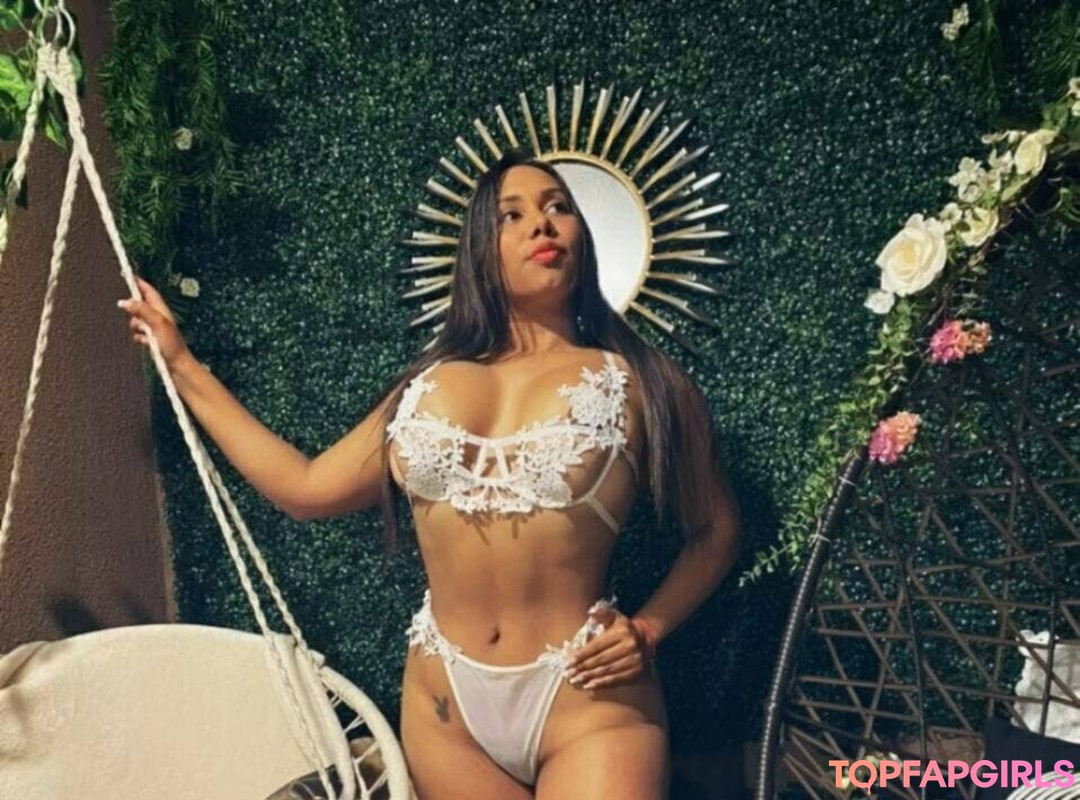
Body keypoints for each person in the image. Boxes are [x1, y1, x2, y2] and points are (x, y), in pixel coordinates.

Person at [119, 150, 740, 800]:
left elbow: (717, 530)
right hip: (445, 710)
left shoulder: (644, 382)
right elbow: (306, 488)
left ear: (582, 236)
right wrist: (181, 363)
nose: (542, 224)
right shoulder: (426, 385)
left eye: (558, 207)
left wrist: (648, 629)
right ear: (479, 250)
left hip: (589, 699)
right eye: (512, 215)